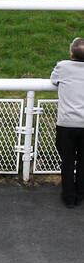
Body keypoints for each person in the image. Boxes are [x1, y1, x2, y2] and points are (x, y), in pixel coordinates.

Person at [50, 37, 84, 206]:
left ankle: (69, 198)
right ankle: (80, 194)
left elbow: (53, 80)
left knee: (68, 162)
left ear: (71, 53)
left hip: (67, 124)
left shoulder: (63, 66)